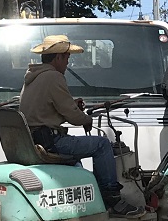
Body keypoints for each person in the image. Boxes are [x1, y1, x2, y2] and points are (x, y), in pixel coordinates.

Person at [19, 34, 145, 219]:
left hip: (35, 139)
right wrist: (86, 119)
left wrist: (71, 105)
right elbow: (73, 117)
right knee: (101, 144)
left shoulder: (33, 77)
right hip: (51, 141)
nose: (68, 63)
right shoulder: (53, 76)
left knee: (77, 162)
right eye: (67, 58)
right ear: (58, 57)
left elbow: (51, 108)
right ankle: (113, 200)